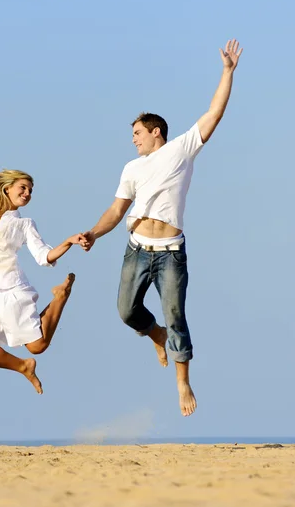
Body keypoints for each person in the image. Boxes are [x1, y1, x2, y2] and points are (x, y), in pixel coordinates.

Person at [82, 39, 243, 416]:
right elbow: (116, 210)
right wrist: (93, 232)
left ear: (156, 132)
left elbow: (213, 113)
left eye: (137, 132)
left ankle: (183, 382)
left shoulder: (181, 149)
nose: (133, 139)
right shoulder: (131, 169)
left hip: (171, 252)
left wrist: (227, 72)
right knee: (126, 312)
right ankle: (154, 335)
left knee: (176, 317)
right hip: (136, 248)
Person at [0, 103, 85, 394]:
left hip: (11, 291)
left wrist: (68, 241)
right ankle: (22, 366)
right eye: (23, 188)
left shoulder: (24, 223)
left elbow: (43, 255)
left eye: (30, 190)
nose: (27, 194)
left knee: (38, 345)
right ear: (6, 188)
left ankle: (60, 297)